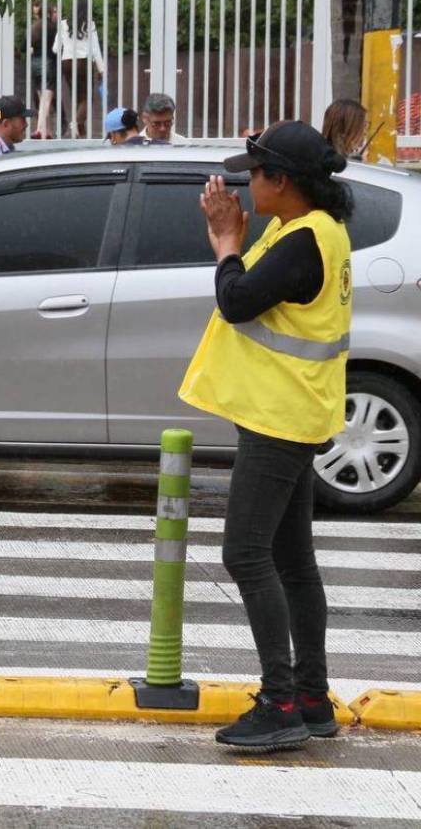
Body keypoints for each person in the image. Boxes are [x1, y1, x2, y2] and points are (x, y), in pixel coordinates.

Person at [179, 120, 353, 751]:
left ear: (283, 181)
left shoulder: (304, 241)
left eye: (253, 173)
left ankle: (280, 700)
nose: (244, 182)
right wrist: (237, 239)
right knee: (293, 561)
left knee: (244, 553)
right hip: (297, 413)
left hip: (280, 420)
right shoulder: (314, 231)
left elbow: (236, 300)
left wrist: (225, 241)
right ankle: (311, 696)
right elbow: (253, 292)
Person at [52, 2, 105, 138]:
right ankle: (75, 124)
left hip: (67, 62)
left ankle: (80, 131)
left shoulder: (63, 24)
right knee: (87, 98)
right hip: (83, 62)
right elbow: (95, 49)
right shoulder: (89, 24)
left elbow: (55, 48)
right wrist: (101, 69)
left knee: (76, 97)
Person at [27, 2, 59, 138]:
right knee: (46, 101)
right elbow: (56, 49)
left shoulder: (33, 27)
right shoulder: (53, 28)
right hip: (48, 63)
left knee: (42, 100)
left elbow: (24, 46)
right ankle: (39, 129)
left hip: (34, 63)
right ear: (49, 13)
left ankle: (48, 132)